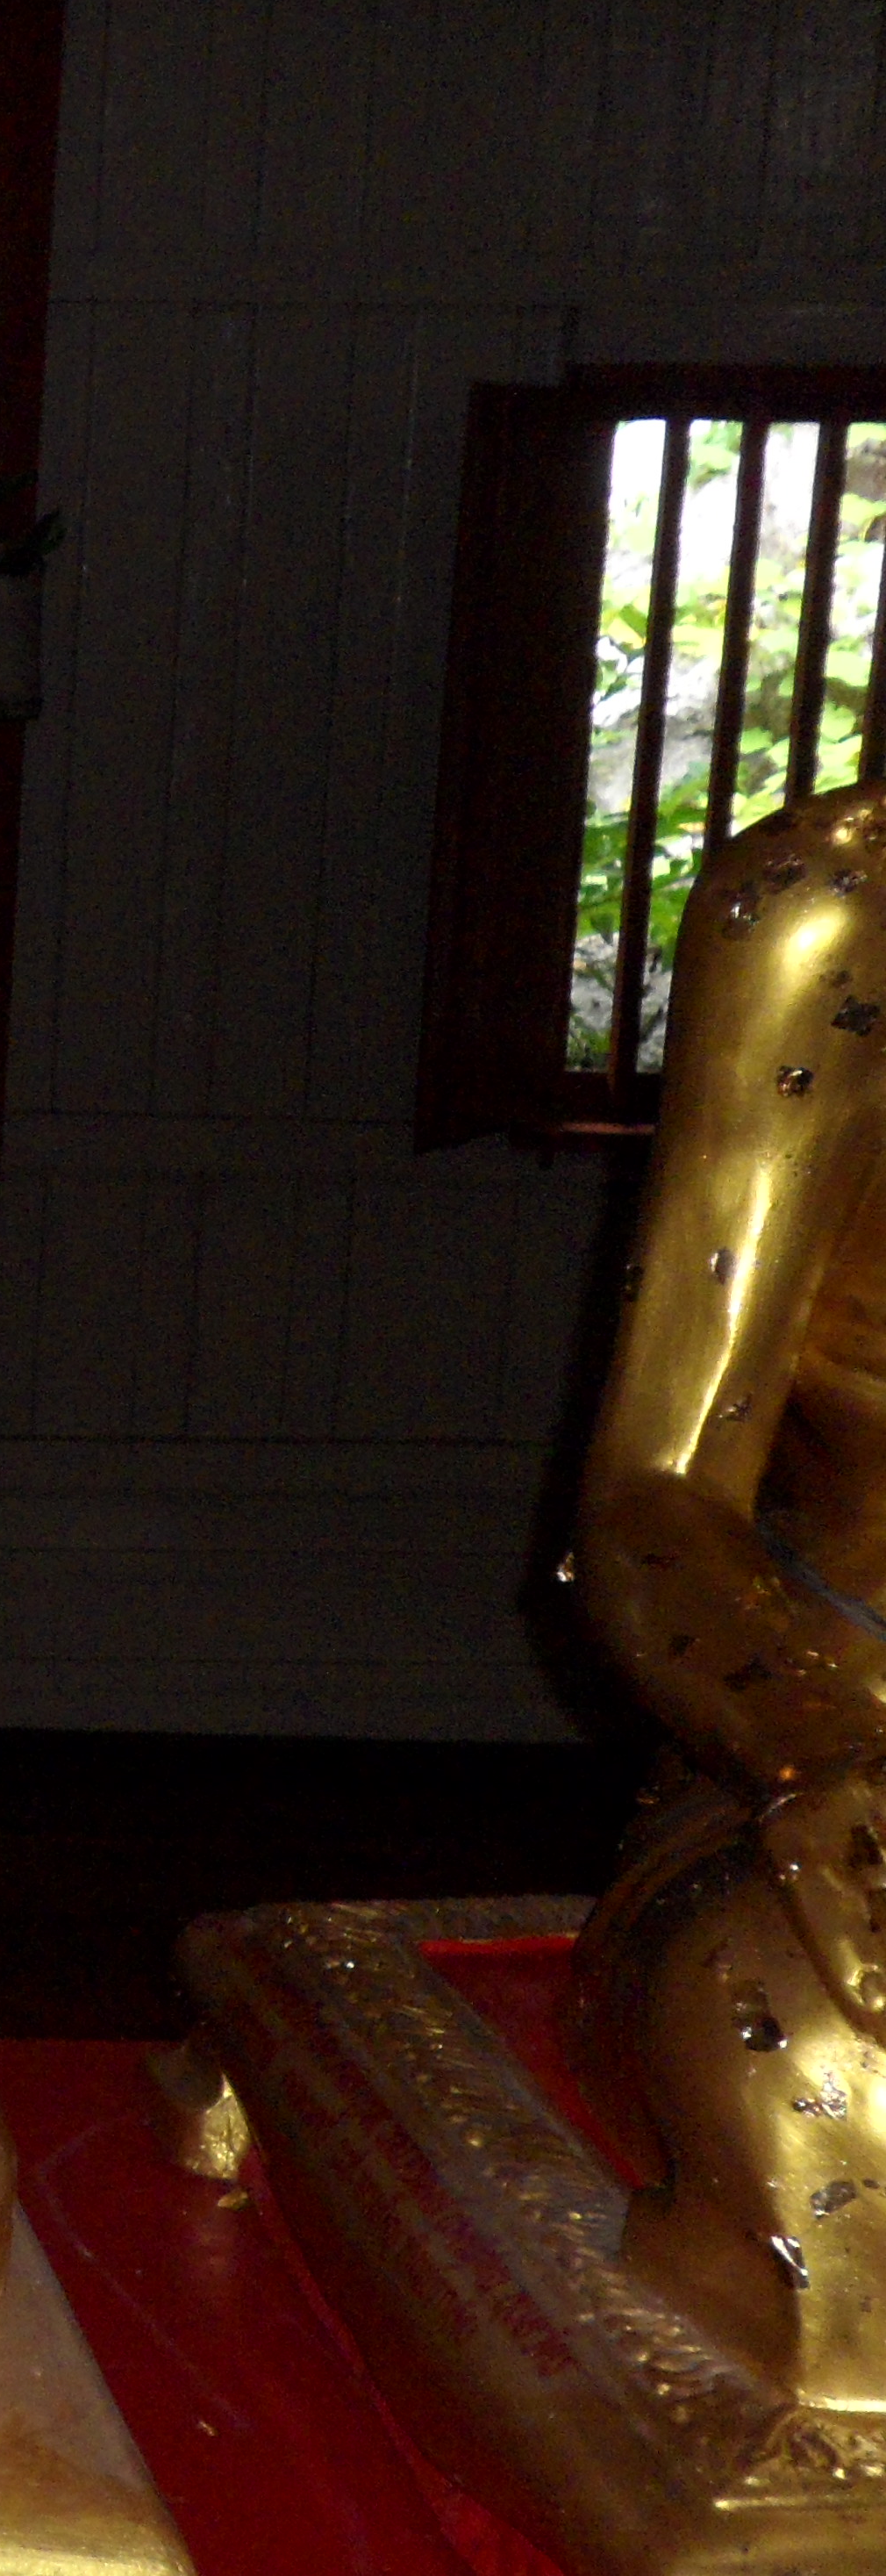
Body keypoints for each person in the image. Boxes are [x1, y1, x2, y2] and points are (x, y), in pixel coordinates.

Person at [576, 776, 886, 2396]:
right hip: (848, 1725)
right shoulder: (838, 913)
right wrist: (823, 1752)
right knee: (832, 2083)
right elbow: (658, 1495)